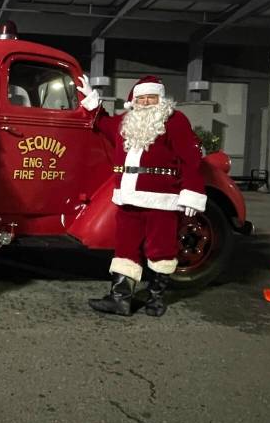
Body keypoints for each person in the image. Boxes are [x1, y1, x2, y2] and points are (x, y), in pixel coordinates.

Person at [77, 75, 206, 317]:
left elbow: (190, 159)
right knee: (125, 247)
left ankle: (155, 298)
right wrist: (91, 99)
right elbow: (104, 124)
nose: (146, 102)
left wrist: (191, 192)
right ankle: (120, 299)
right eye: (141, 98)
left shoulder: (175, 121)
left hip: (162, 199)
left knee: (161, 248)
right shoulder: (127, 121)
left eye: (151, 97)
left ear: (161, 99)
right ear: (134, 100)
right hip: (129, 197)